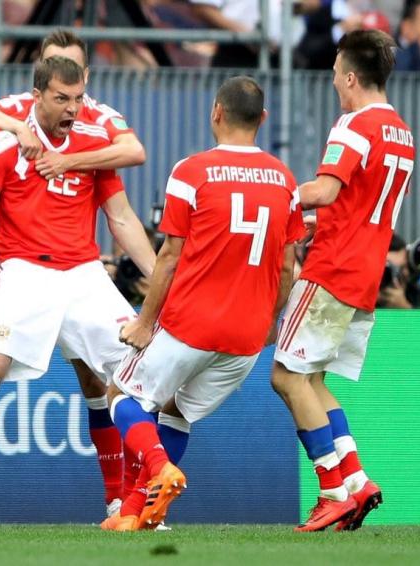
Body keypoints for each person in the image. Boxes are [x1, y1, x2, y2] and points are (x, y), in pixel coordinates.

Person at [0, 56, 156, 529]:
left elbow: (122, 219)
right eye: (61, 98)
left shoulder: (93, 145)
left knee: (131, 377)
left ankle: (121, 502)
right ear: (37, 95)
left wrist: (167, 288)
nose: (72, 108)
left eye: (79, 98)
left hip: (84, 273)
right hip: (23, 269)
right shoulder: (2, 142)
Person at [102, 76, 303, 531]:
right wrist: (271, 324)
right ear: (263, 119)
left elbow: (169, 256)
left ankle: (158, 468)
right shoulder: (285, 180)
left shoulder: (192, 171)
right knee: (177, 412)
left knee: (120, 395)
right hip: (247, 338)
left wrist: (144, 323)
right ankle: (137, 515)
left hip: (190, 324)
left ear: (216, 112)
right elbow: (288, 266)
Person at [271, 30, 414, 532]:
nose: (334, 84)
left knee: (286, 376)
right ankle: (356, 481)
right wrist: (314, 221)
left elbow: (327, 190)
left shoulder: (354, 126)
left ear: (351, 77)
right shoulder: (401, 131)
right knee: (313, 381)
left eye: (335, 76)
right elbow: (360, 206)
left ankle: (331, 489)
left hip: (332, 270)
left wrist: (279, 196)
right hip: (366, 275)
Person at [0, 29, 146, 180]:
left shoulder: (99, 115)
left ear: (85, 75)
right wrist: (19, 127)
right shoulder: (24, 104)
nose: (62, 71)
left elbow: (134, 151)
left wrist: (68, 162)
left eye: (71, 66)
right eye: (52, 64)